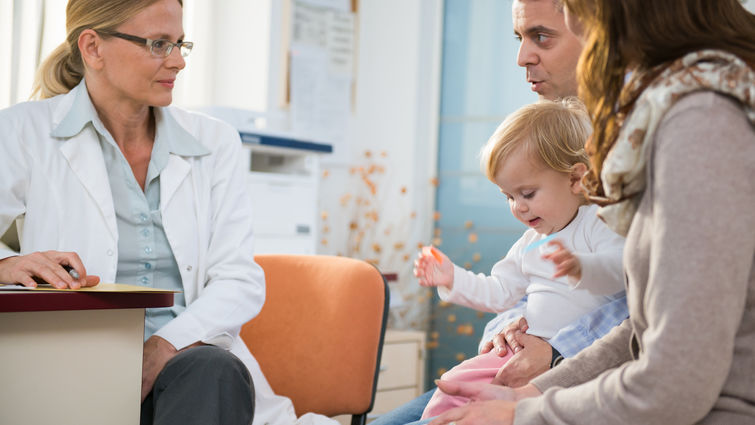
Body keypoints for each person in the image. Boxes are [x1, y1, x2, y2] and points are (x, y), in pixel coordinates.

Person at [0, 1, 335, 424]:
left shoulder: (214, 141)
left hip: (191, 371)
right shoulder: (21, 133)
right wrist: (8, 264)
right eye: (158, 44)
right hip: (73, 369)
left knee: (213, 370)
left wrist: (164, 347)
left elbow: (239, 277)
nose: (177, 62)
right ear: (93, 48)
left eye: (180, 44)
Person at [429, 0, 755, 423]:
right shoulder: (672, 117)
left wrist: (526, 413)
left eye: (569, 13)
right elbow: (643, 332)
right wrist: (531, 396)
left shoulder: (701, 123)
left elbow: (674, 384)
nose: (523, 57)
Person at [369, 1, 629, 423]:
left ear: (597, 33)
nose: (522, 57)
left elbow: (640, 293)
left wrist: (558, 349)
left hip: (579, 377)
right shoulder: (535, 235)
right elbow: (508, 291)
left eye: (541, 36)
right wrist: (505, 328)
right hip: (520, 363)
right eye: (510, 197)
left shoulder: (637, 163)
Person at [415, 98, 625, 420]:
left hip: (572, 366)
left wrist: (582, 268)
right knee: (453, 388)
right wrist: (452, 278)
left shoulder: (597, 222)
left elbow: (625, 272)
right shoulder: (530, 243)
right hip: (521, 353)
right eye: (508, 197)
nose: (518, 207)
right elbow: (500, 291)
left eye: (527, 194)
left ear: (575, 180)